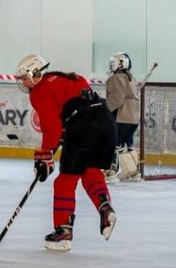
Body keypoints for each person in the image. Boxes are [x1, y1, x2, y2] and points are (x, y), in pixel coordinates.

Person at [15, 54, 118, 251]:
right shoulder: (71, 78)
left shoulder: (40, 90)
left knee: (64, 182)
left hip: (83, 126)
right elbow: (71, 111)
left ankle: (63, 233)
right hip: (106, 123)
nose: (23, 82)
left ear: (35, 73)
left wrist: (45, 156)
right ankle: (105, 207)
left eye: (24, 77)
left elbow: (52, 128)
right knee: (90, 171)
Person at [104, 52, 140, 183]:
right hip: (133, 118)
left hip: (121, 117)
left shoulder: (116, 78)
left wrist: (104, 109)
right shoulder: (130, 77)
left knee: (112, 144)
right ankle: (133, 172)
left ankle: (110, 172)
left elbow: (117, 99)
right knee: (127, 144)